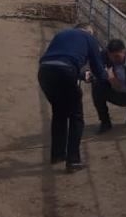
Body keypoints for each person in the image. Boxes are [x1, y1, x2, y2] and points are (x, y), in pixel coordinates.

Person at [38, 23, 105, 172]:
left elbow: (62, 58)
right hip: (65, 71)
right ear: (89, 32)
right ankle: (73, 161)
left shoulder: (61, 35)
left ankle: (57, 154)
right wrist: (105, 79)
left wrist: (81, 74)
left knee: (59, 113)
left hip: (44, 72)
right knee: (76, 116)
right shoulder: (89, 37)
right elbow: (97, 67)